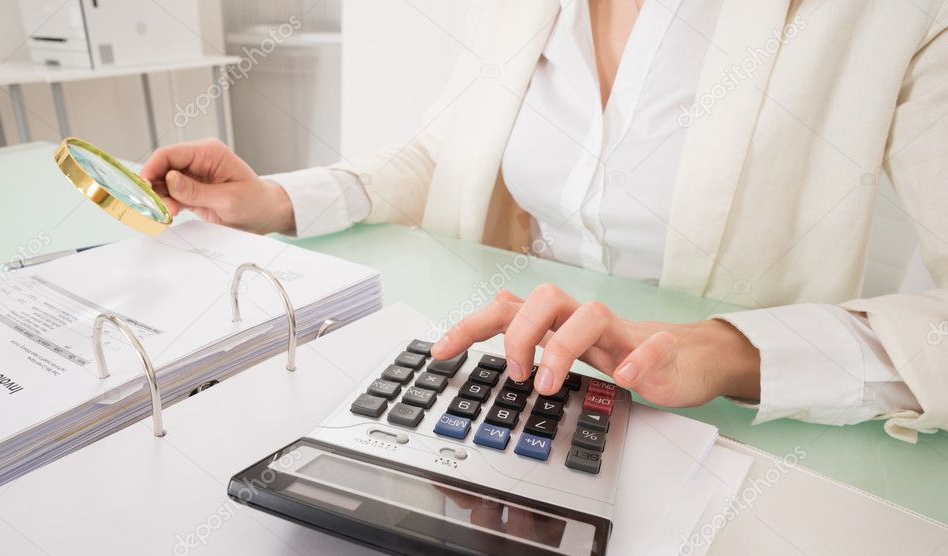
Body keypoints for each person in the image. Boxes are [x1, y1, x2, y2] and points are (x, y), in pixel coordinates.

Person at [141, 0, 948, 442]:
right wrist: (278, 200)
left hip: (725, 422)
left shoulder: (894, 17)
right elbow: (445, 151)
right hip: (518, 369)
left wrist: (726, 350)